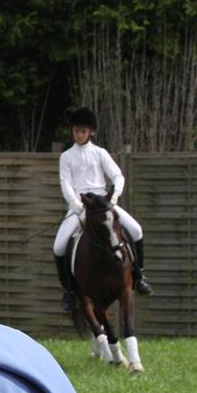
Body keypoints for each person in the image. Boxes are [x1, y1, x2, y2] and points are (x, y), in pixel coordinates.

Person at [53, 107, 153, 311]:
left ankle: (139, 276)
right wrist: (76, 206)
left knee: (136, 230)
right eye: (76, 131)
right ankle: (69, 291)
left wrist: (113, 198)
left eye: (82, 131)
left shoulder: (100, 153)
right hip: (79, 205)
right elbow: (66, 184)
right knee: (59, 246)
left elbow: (118, 176)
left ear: (91, 132)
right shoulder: (66, 157)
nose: (79, 134)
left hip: (102, 203)